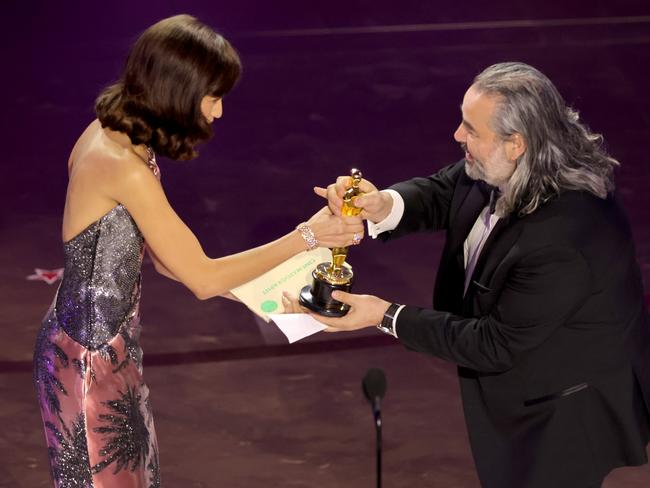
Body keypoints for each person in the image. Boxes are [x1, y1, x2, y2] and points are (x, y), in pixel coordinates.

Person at [32, 14, 363, 488]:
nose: (219, 111)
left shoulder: (120, 139)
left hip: (109, 352)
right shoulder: (121, 166)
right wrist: (308, 237)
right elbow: (202, 279)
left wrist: (260, 297)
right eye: (214, 96)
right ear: (178, 91)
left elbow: (170, 263)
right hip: (86, 365)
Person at [310, 62, 650, 487]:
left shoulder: (563, 237)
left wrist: (383, 314)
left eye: (471, 129)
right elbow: (446, 190)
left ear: (516, 144)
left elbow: (494, 343)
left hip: (565, 406)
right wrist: (381, 205)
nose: (457, 136)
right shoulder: (507, 164)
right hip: (529, 378)